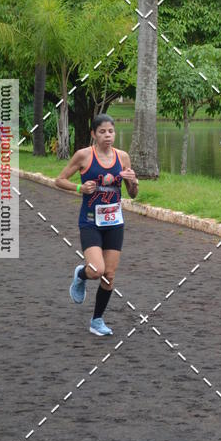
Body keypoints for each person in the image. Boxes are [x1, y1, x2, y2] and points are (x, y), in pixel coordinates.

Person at [55, 114, 138, 336]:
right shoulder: (83, 156)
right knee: (96, 270)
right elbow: (59, 180)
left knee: (108, 275)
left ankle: (97, 320)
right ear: (93, 134)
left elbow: (133, 193)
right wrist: (78, 189)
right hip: (90, 221)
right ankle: (81, 275)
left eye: (110, 131)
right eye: (102, 132)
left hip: (115, 222)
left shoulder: (123, 157)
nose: (107, 136)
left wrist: (133, 181)